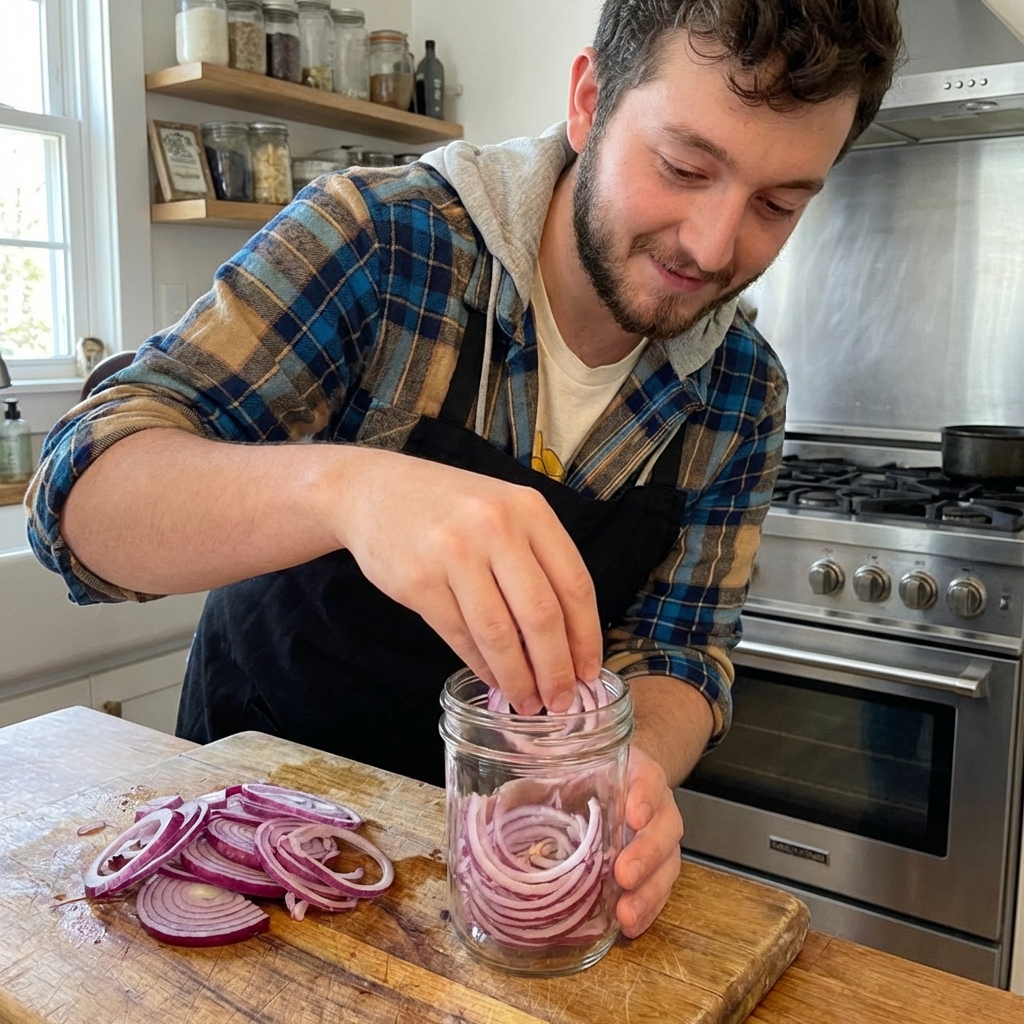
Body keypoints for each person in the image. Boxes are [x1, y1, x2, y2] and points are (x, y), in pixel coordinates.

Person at [27, 0, 903, 939]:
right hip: (263, 860)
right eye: (684, 167)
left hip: (509, 893)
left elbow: (682, 649)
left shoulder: (740, 393)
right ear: (588, 101)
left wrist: (625, 765)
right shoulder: (383, 245)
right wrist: (350, 489)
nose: (714, 246)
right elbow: (78, 498)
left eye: (778, 205)